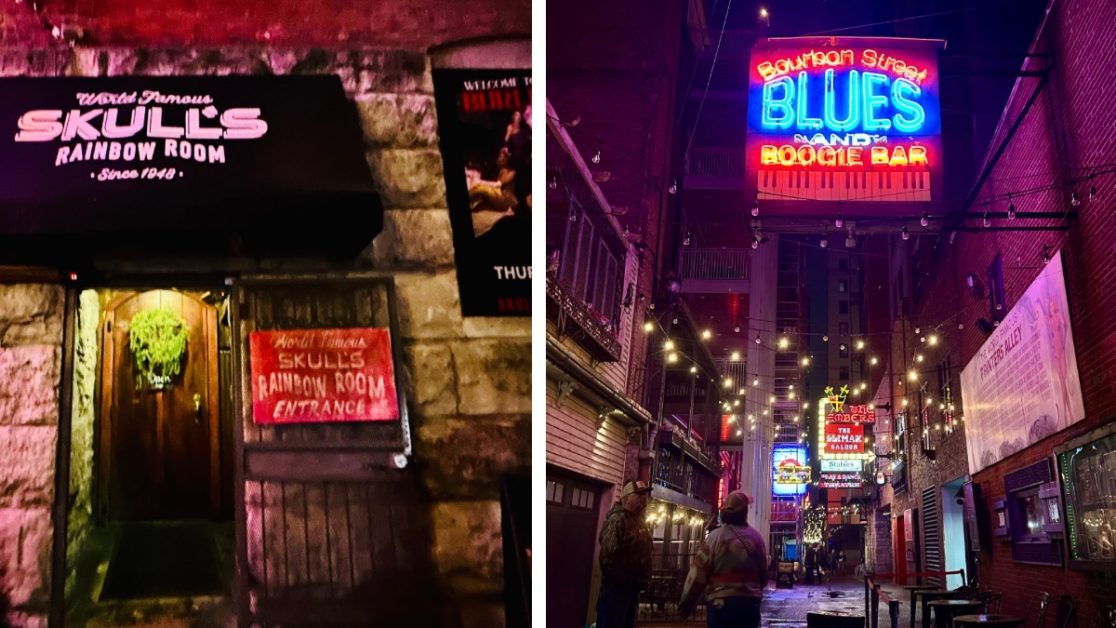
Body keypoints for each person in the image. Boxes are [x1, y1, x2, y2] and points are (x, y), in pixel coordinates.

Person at [678, 491, 768, 628]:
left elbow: (697, 574)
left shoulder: (714, 538)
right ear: (745, 512)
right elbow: (763, 577)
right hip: (749, 606)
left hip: (720, 605)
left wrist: (686, 604)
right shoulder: (757, 539)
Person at [595, 480, 653, 628]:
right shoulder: (617, 520)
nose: (643, 499)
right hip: (616, 590)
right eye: (639, 495)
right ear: (627, 497)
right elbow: (608, 556)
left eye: (644, 495)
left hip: (631, 588)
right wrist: (623, 578)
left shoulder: (639, 521)